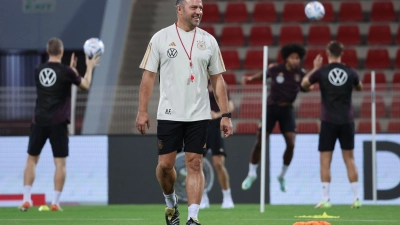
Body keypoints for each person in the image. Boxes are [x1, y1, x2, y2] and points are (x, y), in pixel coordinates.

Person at [135, 0, 233, 224]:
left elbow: (218, 80)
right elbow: (148, 77)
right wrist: (142, 111)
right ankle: (171, 204)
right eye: (194, 8)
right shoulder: (160, 38)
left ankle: (193, 218)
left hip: (199, 115)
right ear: (180, 9)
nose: (199, 11)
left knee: (195, 163)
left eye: (200, 8)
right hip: (169, 114)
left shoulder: (208, 41)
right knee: (165, 166)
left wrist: (225, 115)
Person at [19, 38, 100, 212]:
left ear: (48, 51)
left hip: (39, 121)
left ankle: (26, 199)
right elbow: (84, 85)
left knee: (31, 160)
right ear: (61, 52)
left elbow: (53, 82)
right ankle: (55, 203)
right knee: (60, 164)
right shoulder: (66, 71)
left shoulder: (37, 70)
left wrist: (70, 71)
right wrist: (89, 66)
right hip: (58, 122)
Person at [301, 41, 362, 209]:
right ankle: (356, 198)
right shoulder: (350, 71)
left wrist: (315, 68)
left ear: (327, 54)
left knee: (325, 161)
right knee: (349, 159)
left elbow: (304, 84)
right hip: (347, 121)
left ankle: (325, 199)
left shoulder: (322, 71)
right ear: (341, 53)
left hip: (328, 121)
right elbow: (360, 87)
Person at [241, 43, 307, 192]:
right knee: (260, 141)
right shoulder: (275, 69)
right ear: (286, 58)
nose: (296, 60)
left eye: (298, 58)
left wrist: (310, 84)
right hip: (271, 108)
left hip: (287, 109)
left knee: (291, 143)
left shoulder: (300, 73)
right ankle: (252, 173)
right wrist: (251, 78)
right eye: (293, 58)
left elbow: (306, 87)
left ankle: (282, 176)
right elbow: (264, 75)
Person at [200, 81, 235, 209]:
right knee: (197, 164)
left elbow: (230, 106)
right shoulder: (197, 81)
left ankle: (227, 197)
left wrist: (217, 115)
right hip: (200, 125)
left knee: (218, 163)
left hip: (215, 126)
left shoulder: (220, 83)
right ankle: (203, 198)